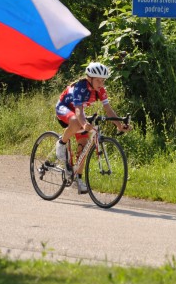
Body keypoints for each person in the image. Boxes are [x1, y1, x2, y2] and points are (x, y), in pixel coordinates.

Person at [55, 62, 131, 194]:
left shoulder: (101, 90)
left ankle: (77, 178)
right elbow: (78, 111)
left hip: (79, 112)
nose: (101, 84)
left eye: (103, 80)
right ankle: (61, 143)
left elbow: (108, 110)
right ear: (89, 78)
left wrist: (120, 125)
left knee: (84, 146)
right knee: (75, 121)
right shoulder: (80, 87)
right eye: (98, 80)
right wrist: (84, 124)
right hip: (64, 108)